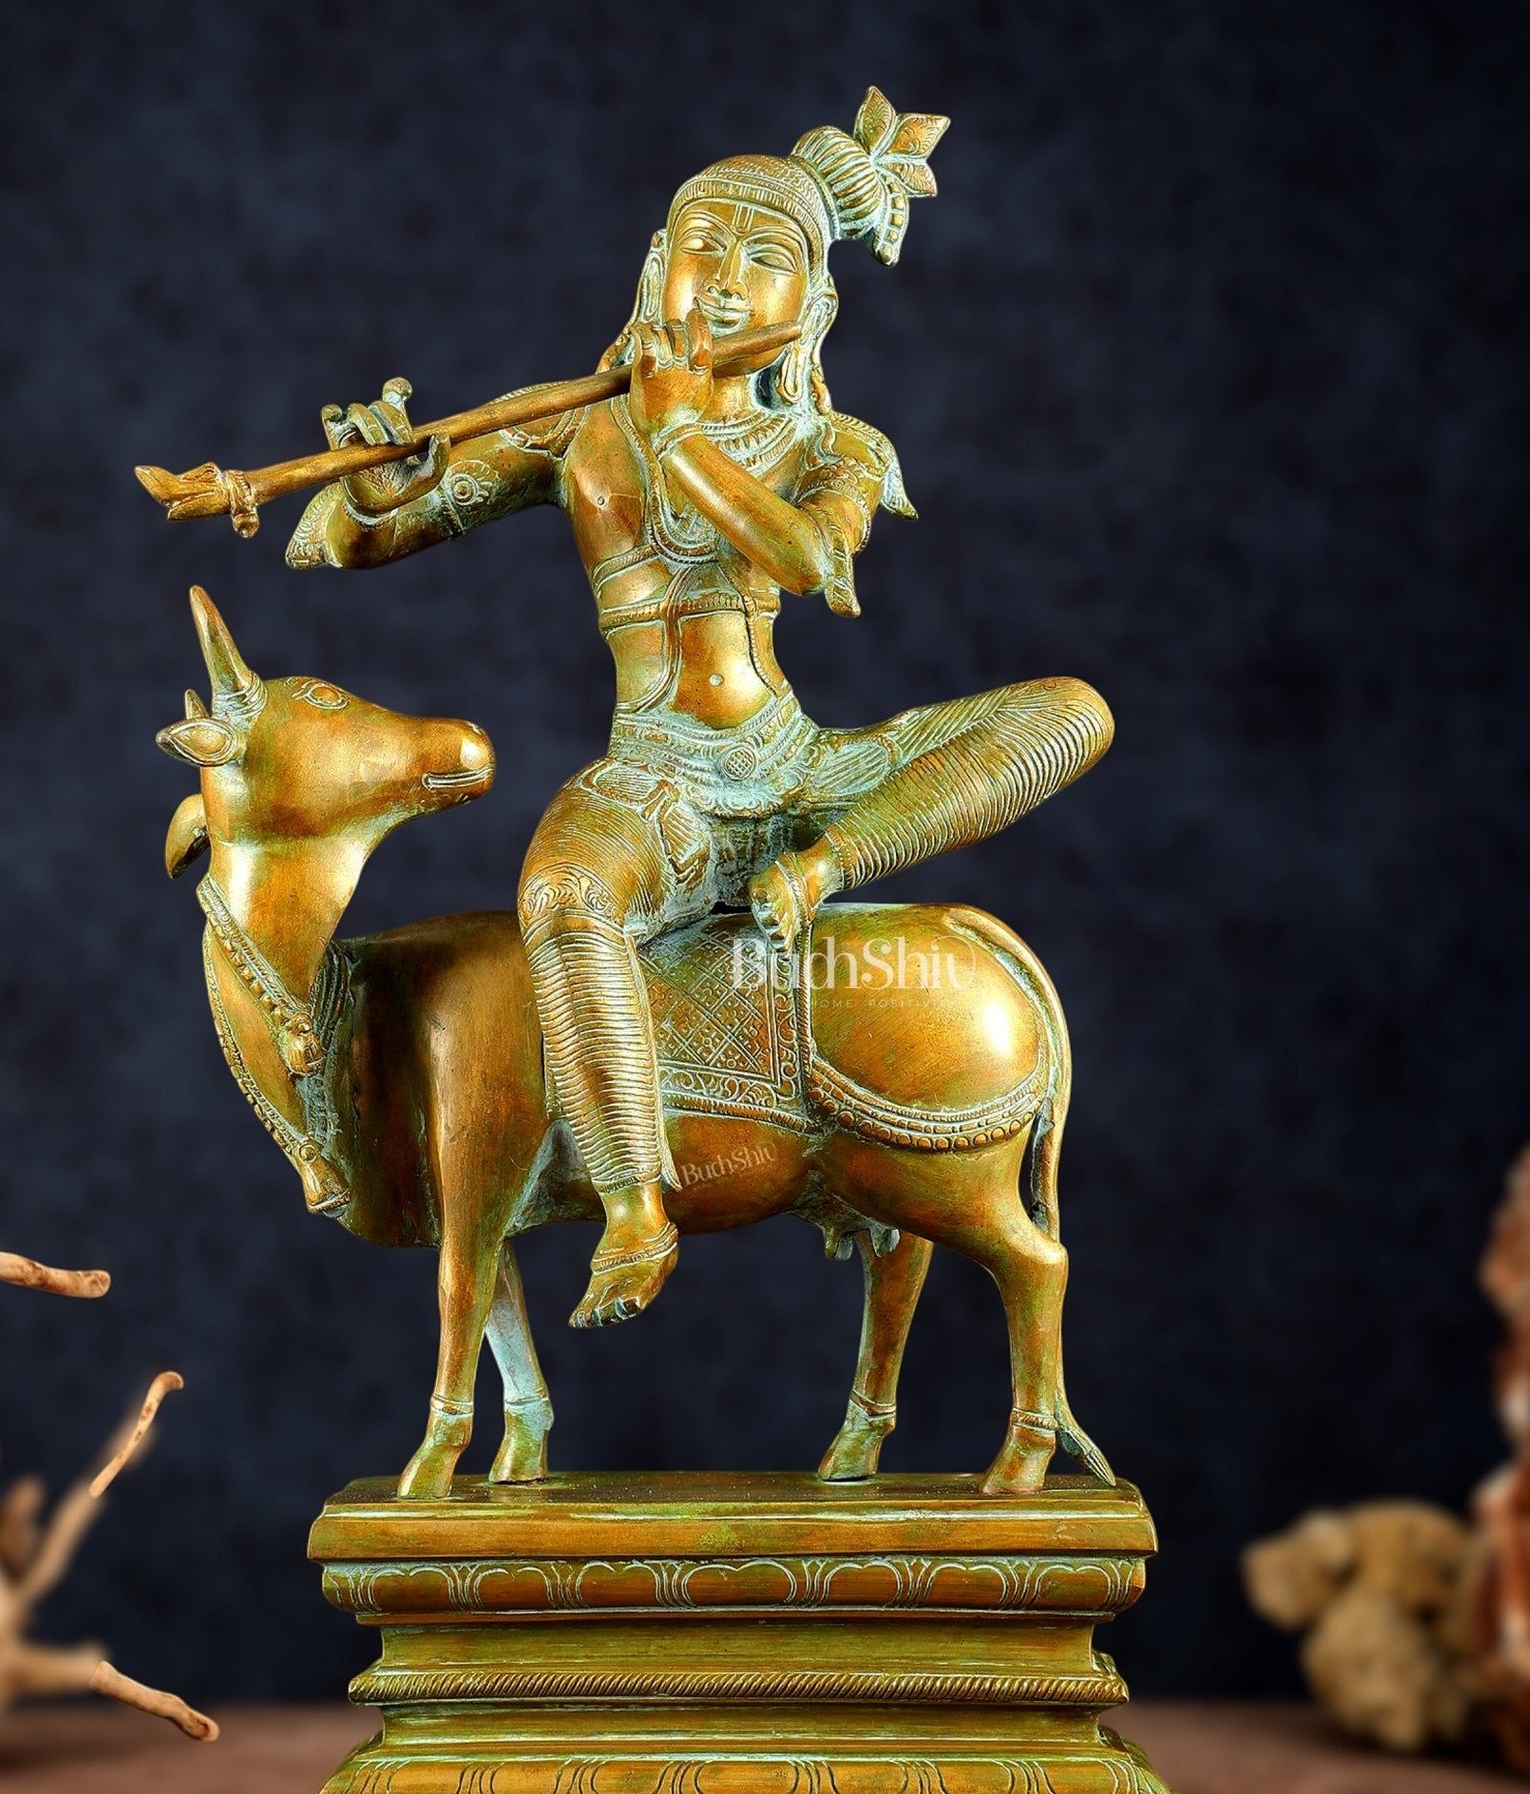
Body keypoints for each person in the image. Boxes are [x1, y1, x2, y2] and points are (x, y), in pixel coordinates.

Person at [285, 90, 1113, 1328]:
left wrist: (681, 438)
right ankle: (634, 1204)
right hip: (656, 784)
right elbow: (338, 541)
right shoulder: (579, 428)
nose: (723, 282)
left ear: (811, 308)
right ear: (652, 270)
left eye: (762, 258)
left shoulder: (833, 446)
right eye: (701, 248)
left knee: (1069, 711)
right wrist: (375, 490)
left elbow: (809, 561)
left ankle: (829, 862)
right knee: (564, 895)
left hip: (796, 770)